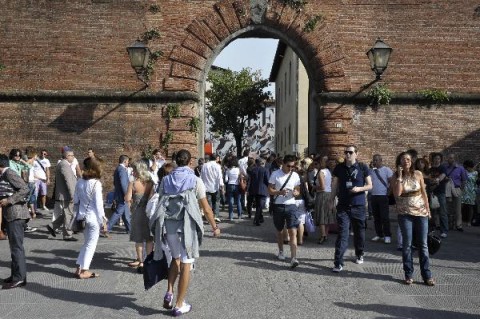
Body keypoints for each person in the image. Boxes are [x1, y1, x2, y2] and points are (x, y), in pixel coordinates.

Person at [150, 149, 220, 316]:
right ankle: (179, 304)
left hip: (169, 228)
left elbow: (160, 201)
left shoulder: (166, 180)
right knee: (187, 264)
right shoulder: (195, 180)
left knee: (175, 259)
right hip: (187, 228)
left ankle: (170, 291)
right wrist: (214, 227)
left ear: (175, 161)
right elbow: (206, 208)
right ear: (190, 162)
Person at [392, 151, 435, 286]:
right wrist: (400, 176)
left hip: (421, 212)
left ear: (412, 162)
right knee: (407, 245)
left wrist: (428, 210)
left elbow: (423, 192)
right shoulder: (395, 176)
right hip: (404, 213)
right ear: (399, 162)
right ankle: (408, 274)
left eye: (408, 159)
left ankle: (426, 275)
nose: (406, 161)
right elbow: (398, 193)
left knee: (423, 244)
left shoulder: (418, 174)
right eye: (403, 159)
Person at [330, 145, 372, 273]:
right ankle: (338, 262)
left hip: (358, 206)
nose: (348, 154)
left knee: (359, 233)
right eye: (346, 152)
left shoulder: (362, 167)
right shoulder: (339, 168)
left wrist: (359, 189)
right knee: (343, 234)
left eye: (350, 152)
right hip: (343, 206)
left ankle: (359, 253)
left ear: (356, 154)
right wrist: (331, 200)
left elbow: (370, 185)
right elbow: (334, 185)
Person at [0, 154, 30, 289]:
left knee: (17, 247)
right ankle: (16, 275)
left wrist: (9, 200)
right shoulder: (5, 175)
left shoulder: (9, 173)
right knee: (14, 247)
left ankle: (19, 278)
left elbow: (25, 189)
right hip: (11, 215)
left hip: (16, 214)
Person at [73, 157, 107, 279]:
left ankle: (79, 268)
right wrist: (103, 220)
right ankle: (84, 271)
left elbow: (76, 200)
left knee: (86, 243)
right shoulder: (96, 184)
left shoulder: (79, 182)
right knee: (91, 245)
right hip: (93, 218)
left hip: (82, 217)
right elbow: (99, 204)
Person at [268, 154, 301, 269]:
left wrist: (297, 192)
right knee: (280, 231)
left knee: (293, 231)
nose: (291, 168)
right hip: (278, 206)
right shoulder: (275, 174)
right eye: (289, 166)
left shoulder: (295, 175)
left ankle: (293, 258)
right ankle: (281, 251)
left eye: (293, 166)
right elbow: (270, 190)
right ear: (283, 164)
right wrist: (279, 192)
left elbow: (298, 188)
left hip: (291, 205)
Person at [124, 160, 154, 273]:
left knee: (139, 239)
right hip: (149, 212)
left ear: (138, 171)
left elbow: (127, 198)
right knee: (149, 238)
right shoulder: (150, 182)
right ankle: (148, 262)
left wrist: (131, 200)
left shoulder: (133, 183)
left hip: (137, 212)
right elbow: (153, 197)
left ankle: (141, 262)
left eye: (134, 170)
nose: (132, 171)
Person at [46, 148, 78, 241]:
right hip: (66, 194)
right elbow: (68, 181)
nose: (73, 157)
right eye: (72, 155)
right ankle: (68, 235)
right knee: (69, 214)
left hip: (65, 193)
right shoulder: (64, 165)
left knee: (66, 213)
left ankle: (52, 226)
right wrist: (73, 194)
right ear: (67, 156)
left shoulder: (63, 164)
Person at [369, 154, 394, 244]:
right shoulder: (371, 171)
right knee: (376, 217)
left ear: (381, 160)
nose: (375, 162)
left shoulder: (387, 170)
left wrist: (388, 193)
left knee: (385, 217)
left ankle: (387, 235)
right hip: (374, 195)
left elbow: (392, 182)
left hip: (383, 196)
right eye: (374, 160)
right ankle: (379, 234)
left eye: (376, 160)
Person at [106, 155, 131, 234]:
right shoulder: (122, 170)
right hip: (123, 195)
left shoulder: (118, 169)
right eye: (127, 161)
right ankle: (107, 228)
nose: (128, 163)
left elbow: (115, 182)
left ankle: (130, 229)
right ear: (124, 161)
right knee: (118, 212)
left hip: (119, 194)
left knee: (125, 212)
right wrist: (126, 194)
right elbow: (123, 183)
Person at [313, 156, 335, 244]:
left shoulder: (321, 172)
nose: (316, 165)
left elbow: (322, 187)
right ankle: (325, 234)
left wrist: (314, 187)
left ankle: (323, 235)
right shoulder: (328, 171)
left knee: (321, 215)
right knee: (327, 215)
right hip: (329, 194)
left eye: (316, 163)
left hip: (322, 194)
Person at [444, 153, 468, 231]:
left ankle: (459, 225)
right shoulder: (445, 167)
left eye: (452, 158)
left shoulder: (460, 168)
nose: (450, 159)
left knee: (458, 208)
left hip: (457, 189)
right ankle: (449, 224)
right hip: (447, 189)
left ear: (455, 159)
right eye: (449, 158)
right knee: (448, 208)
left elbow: (464, 180)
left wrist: (461, 189)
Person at [429, 152, 449, 238]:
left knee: (442, 212)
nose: (437, 160)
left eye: (438, 158)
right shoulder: (430, 169)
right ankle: (432, 228)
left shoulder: (442, 167)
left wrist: (437, 180)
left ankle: (444, 230)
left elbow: (442, 176)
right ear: (432, 159)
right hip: (432, 192)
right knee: (432, 212)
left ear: (440, 159)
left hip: (440, 192)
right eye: (435, 158)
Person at [200, 154, 224, 223]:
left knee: (208, 203)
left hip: (206, 187)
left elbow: (201, 176)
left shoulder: (204, 165)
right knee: (216, 202)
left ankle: (209, 217)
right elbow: (219, 177)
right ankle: (216, 216)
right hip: (215, 187)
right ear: (216, 158)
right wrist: (222, 186)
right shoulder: (217, 166)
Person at [247, 158, 270, 226]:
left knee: (258, 205)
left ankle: (260, 217)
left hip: (254, 190)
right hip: (263, 190)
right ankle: (256, 219)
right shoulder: (265, 170)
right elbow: (267, 180)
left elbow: (250, 180)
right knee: (260, 206)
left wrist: (249, 190)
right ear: (262, 163)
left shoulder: (253, 170)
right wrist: (269, 188)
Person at [461, 160, 478, 226]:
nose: (466, 168)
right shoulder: (464, 172)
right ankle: (460, 220)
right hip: (464, 190)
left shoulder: (476, 173)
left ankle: (469, 222)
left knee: (470, 207)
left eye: (466, 167)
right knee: (461, 206)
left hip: (472, 191)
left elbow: (476, 182)